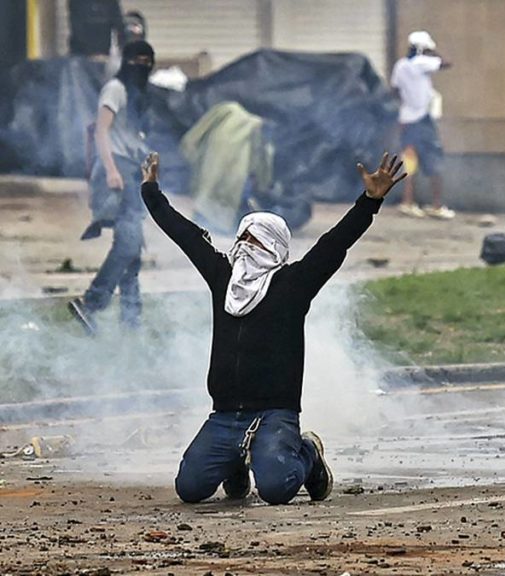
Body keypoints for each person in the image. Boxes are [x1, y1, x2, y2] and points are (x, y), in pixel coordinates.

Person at [137, 151, 406, 504]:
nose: (245, 248)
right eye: (242, 239)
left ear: (276, 248)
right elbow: (184, 234)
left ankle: (308, 453)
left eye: (257, 241)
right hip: (225, 414)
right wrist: (151, 191)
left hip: (274, 414)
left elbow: (335, 243)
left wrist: (370, 201)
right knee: (189, 488)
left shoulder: (293, 284)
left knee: (278, 489)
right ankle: (234, 463)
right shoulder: (223, 278)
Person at [68, 40, 155, 335]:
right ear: (127, 62)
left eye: (147, 60)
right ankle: (91, 303)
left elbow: (134, 137)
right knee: (129, 243)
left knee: (132, 250)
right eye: (137, 60)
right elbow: (101, 130)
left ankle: (131, 321)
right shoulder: (115, 89)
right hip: (116, 170)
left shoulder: (137, 94)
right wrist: (111, 170)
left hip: (131, 171)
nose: (141, 66)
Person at [391, 30, 454, 220]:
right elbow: (447, 63)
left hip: (406, 119)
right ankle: (437, 205)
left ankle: (407, 202)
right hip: (422, 120)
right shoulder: (421, 63)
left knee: (410, 161)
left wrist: (407, 103)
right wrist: (433, 53)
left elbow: (394, 89)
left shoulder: (401, 66)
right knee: (434, 159)